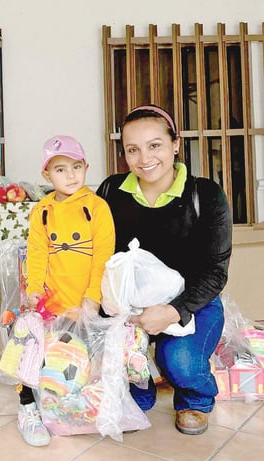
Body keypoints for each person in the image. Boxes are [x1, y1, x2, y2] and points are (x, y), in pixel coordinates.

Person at [96, 104, 232, 435]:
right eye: (133, 149)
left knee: (181, 363)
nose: (144, 158)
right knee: (108, 357)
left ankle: (195, 398)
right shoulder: (112, 192)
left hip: (190, 302)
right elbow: (97, 253)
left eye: (155, 145)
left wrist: (173, 311)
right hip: (128, 305)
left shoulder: (206, 195)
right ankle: (141, 391)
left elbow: (215, 271)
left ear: (175, 144)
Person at [16, 134, 115, 446]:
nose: (70, 175)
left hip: (84, 305)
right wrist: (34, 291)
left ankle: (74, 409)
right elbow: (37, 254)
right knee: (35, 358)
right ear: (47, 175)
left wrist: (92, 299)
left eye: (76, 166)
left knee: (81, 363)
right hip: (51, 306)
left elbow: (103, 256)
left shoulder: (97, 208)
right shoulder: (42, 211)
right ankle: (29, 408)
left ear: (86, 166)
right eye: (60, 169)